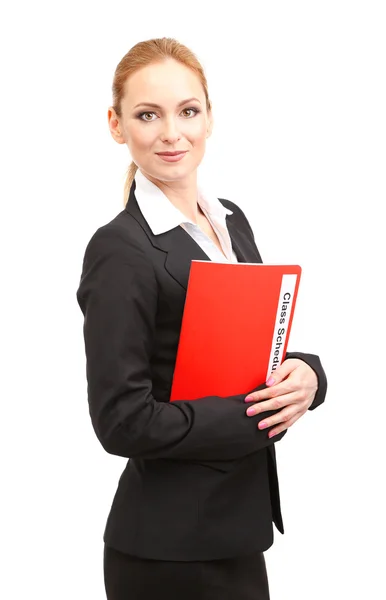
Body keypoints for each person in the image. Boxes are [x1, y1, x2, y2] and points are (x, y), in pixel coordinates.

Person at [76, 37, 327, 600]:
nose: (172, 132)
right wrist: (258, 417)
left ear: (209, 118)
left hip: (235, 536)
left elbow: (250, 351)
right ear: (117, 126)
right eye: (148, 114)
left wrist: (309, 375)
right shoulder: (121, 250)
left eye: (188, 111)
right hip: (167, 554)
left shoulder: (231, 221)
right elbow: (121, 421)